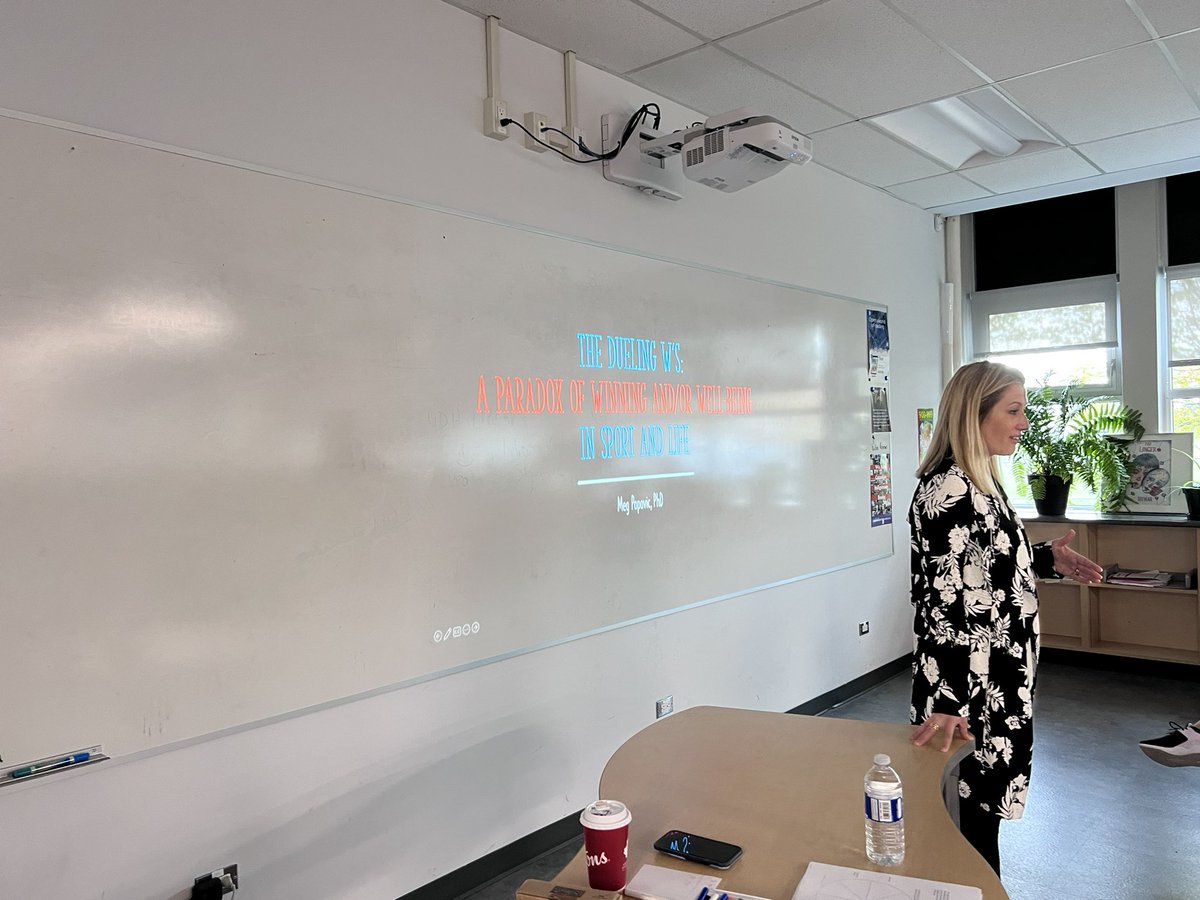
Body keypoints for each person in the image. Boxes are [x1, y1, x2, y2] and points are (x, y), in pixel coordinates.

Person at [907, 361, 1103, 876]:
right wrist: (949, 703)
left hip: (999, 680)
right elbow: (947, 603)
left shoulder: (980, 482)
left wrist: (1044, 559)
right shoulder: (948, 490)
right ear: (975, 413)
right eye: (1013, 410)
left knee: (981, 819)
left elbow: (986, 566)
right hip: (967, 691)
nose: (1023, 422)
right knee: (964, 828)